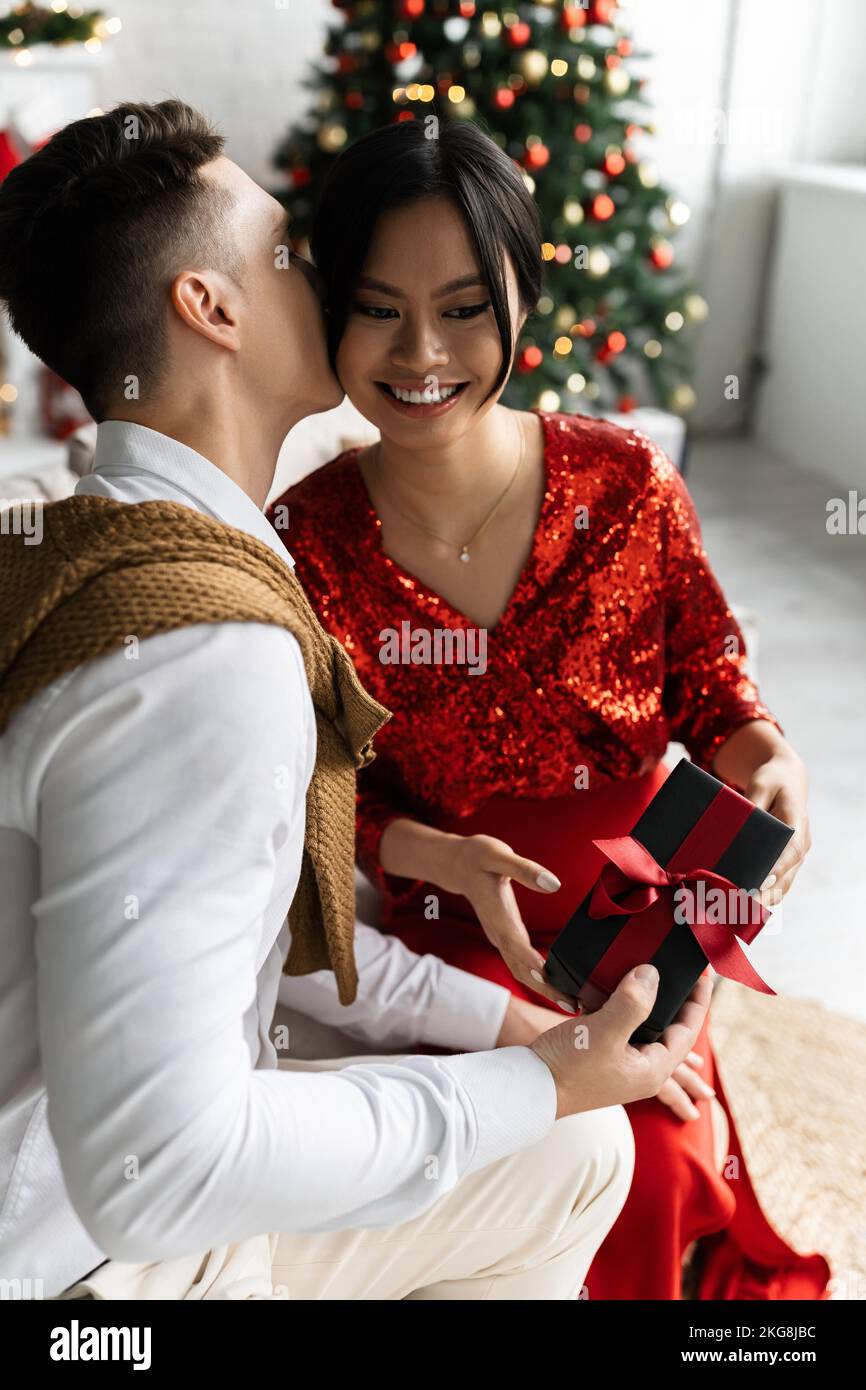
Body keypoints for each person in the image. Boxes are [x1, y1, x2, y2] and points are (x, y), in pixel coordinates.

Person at [0, 99, 711, 1303]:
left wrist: (506, 1036)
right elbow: (157, 1170)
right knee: (574, 1151)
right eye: (289, 250)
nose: (327, 280)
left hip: (74, 1170)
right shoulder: (203, 648)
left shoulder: (90, 549)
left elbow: (247, 938)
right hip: (89, 1261)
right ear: (210, 308)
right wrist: (535, 1088)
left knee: (559, 1114)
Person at [269, 118, 830, 1300]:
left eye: (466, 306)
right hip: (457, 929)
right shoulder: (302, 541)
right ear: (328, 311)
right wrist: (420, 848)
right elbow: (314, 789)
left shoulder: (623, 480)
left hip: (641, 919)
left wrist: (761, 748)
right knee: (533, 1154)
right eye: (377, 306)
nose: (421, 349)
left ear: (522, 296)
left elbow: (713, 680)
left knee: (662, 1153)